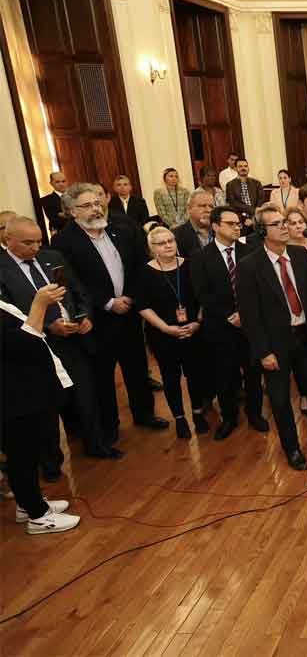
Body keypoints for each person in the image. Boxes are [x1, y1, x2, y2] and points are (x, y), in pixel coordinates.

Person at [236, 203, 307, 470]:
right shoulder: (249, 266)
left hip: (306, 336)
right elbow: (249, 316)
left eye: (285, 221)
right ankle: (292, 449)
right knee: (280, 400)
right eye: (277, 224)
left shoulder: (298, 255)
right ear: (263, 230)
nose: (285, 226)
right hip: (275, 344)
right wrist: (263, 352)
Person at [51, 183, 167, 440]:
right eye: (87, 205)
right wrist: (107, 302)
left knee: (137, 366)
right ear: (71, 211)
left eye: (97, 203)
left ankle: (144, 413)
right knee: (102, 376)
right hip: (97, 320)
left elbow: (140, 265)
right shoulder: (63, 242)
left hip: (130, 311)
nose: (95, 208)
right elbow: (72, 283)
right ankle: (109, 426)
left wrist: (131, 298)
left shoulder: (122, 228)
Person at [1, 216, 120, 463]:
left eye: (38, 241)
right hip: (36, 346)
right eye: (27, 243)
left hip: (73, 340)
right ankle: (51, 462)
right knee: (47, 407)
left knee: (86, 394)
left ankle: (96, 444)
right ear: (8, 239)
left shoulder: (52, 257)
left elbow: (78, 291)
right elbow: (8, 312)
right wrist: (47, 325)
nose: (35, 248)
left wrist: (83, 315)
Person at [1, 283, 81, 534]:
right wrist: (39, 304)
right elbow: (24, 342)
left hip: (22, 390)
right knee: (21, 455)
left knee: (25, 453)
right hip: (12, 395)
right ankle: (37, 516)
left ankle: (28, 504)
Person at [190, 205, 267, 440]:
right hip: (220, 327)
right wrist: (229, 316)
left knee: (254, 373)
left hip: (250, 324)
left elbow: (260, 287)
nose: (237, 227)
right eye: (231, 223)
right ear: (215, 226)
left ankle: (254, 414)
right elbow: (202, 294)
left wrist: (244, 314)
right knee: (225, 374)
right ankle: (229, 417)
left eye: (238, 223)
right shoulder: (201, 257)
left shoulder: (251, 251)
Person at [136, 227, 207, 439]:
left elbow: (203, 297)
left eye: (170, 240)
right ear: (151, 248)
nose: (168, 245)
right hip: (163, 334)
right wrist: (166, 328)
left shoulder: (191, 265)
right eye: (161, 243)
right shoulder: (144, 272)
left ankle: (198, 413)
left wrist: (198, 322)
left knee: (196, 375)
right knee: (170, 378)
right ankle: (179, 418)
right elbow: (143, 306)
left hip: (193, 330)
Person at [173, 190, 215, 258]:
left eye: (211, 206)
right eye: (203, 206)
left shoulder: (220, 230)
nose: (208, 210)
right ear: (189, 209)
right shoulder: (176, 235)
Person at [40, 171, 71, 236]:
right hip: (61, 234)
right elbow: (54, 220)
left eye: (63, 181)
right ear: (51, 183)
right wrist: (72, 214)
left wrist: (63, 214)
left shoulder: (75, 197)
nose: (61, 184)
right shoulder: (46, 200)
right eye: (57, 182)